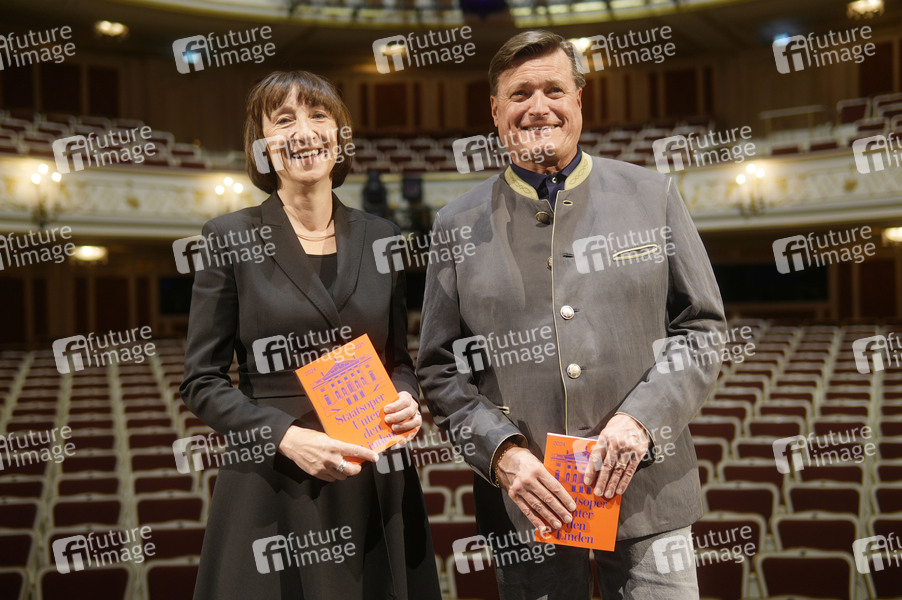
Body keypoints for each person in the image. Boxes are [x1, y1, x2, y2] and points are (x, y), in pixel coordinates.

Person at [416, 30, 726, 600]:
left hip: (650, 493)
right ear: (496, 111)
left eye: (554, 90)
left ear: (579, 101)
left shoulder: (652, 194)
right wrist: (502, 454)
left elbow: (703, 329)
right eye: (520, 94)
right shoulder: (454, 223)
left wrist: (641, 422)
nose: (538, 107)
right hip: (528, 503)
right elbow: (438, 369)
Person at [181, 70, 441, 600]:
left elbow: (397, 361)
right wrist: (285, 436)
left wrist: (407, 398)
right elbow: (201, 382)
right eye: (284, 120)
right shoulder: (228, 237)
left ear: (339, 136)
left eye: (319, 115)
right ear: (261, 145)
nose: (304, 132)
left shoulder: (383, 236)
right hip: (273, 480)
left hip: (372, 474)